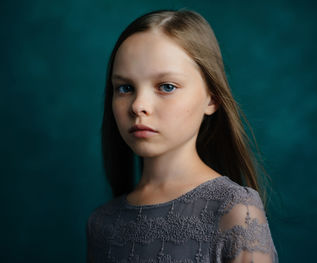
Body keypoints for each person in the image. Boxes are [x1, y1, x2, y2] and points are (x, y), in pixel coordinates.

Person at [86, 8, 279, 263]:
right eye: (125, 88)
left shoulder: (235, 210)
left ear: (212, 98)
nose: (138, 105)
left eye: (167, 86)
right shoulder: (101, 223)